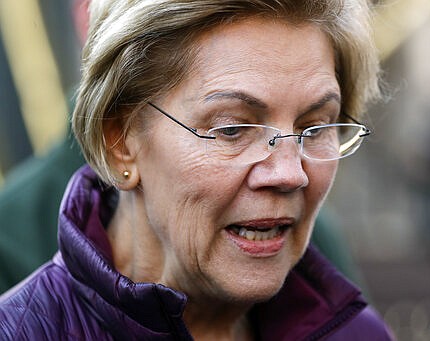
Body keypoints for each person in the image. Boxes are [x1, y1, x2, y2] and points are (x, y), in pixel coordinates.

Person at [0, 0, 392, 339]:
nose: (290, 173)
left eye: (314, 128)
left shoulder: (357, 333)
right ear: (119, 143)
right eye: (233, 128)